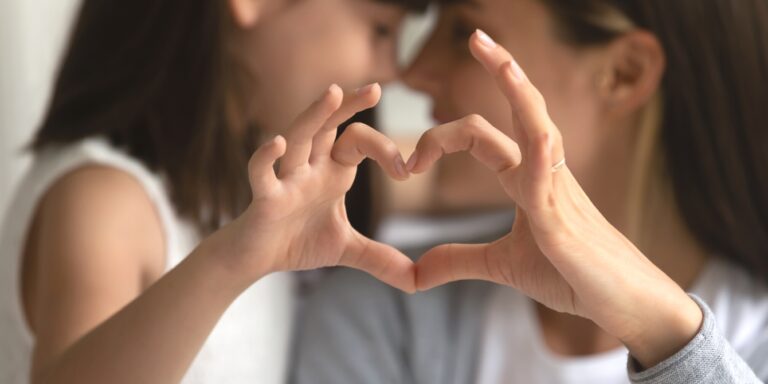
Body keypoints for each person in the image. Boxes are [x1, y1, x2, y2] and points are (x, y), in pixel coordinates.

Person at [291, 0, 768, 383]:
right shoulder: (385, 313)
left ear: (624, 73)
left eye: (462, 32)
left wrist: (667, 336)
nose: (412, 71)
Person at [0, 0, 428, 382]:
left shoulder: (262, 177)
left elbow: (443, 173)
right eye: (381, 30)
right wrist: (232, 261)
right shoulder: (104, 202)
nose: (394, 71)